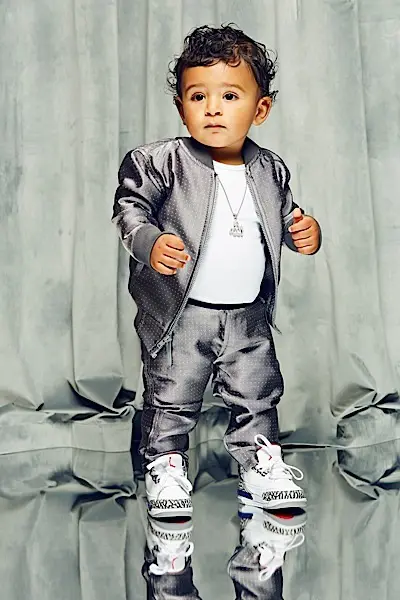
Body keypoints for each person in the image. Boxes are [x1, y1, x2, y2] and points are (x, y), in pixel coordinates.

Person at [112, 24, 321, 520]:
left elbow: (286, 216)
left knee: (257, 393)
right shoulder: (161, 162)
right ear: (181, 107)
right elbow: (130, 210)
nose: (212, 109)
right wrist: (149, 242)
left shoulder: (270, 169)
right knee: (172, 392)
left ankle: (261, 467)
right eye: (197, 96)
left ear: (260, 109)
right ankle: (165, 466)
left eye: (229, 96)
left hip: (249, 314)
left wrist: (304, 232)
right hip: (183, 313)